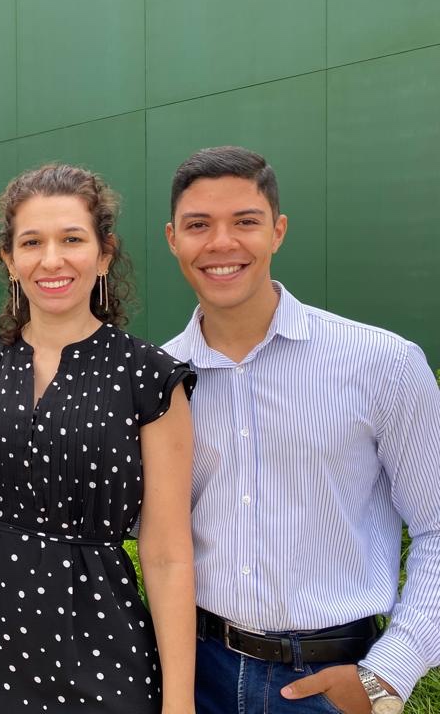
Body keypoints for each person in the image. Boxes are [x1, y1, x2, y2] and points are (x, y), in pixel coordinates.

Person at [163, 146, 440, 714]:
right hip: (196, 676)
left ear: (278, 231)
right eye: (198, 225)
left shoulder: (382, 362)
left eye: (245, 221)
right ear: (173, 239)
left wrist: (390, 672)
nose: (221, 243)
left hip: (331, 679)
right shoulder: (157, 380)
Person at [0, 163, 197, 713]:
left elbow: (167, 555)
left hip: (101, 652)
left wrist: (179, 702)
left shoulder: (149, 377)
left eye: (72, 239)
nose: (52, 260)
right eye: (32, 242)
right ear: (9, 259)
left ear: (104, 254)